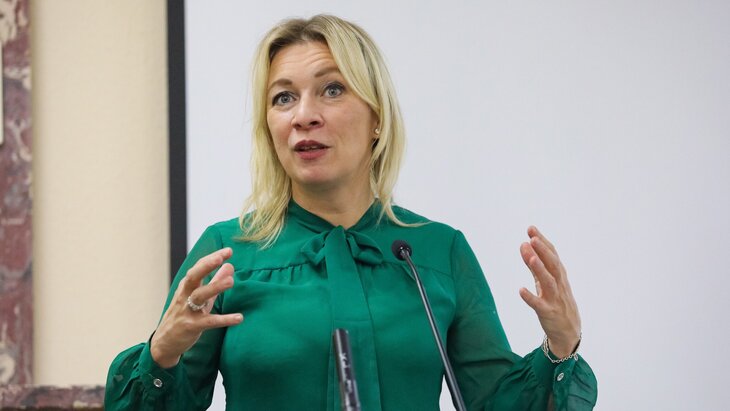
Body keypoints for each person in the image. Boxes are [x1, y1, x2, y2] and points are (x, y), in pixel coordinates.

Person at [105, 14, 597, 410]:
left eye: (332, 89)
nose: (304, 115)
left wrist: (560, 349)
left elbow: (494, 404)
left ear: (377, 117)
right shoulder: (228, 253)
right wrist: (161, 354)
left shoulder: (437, 251)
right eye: (283, 98)